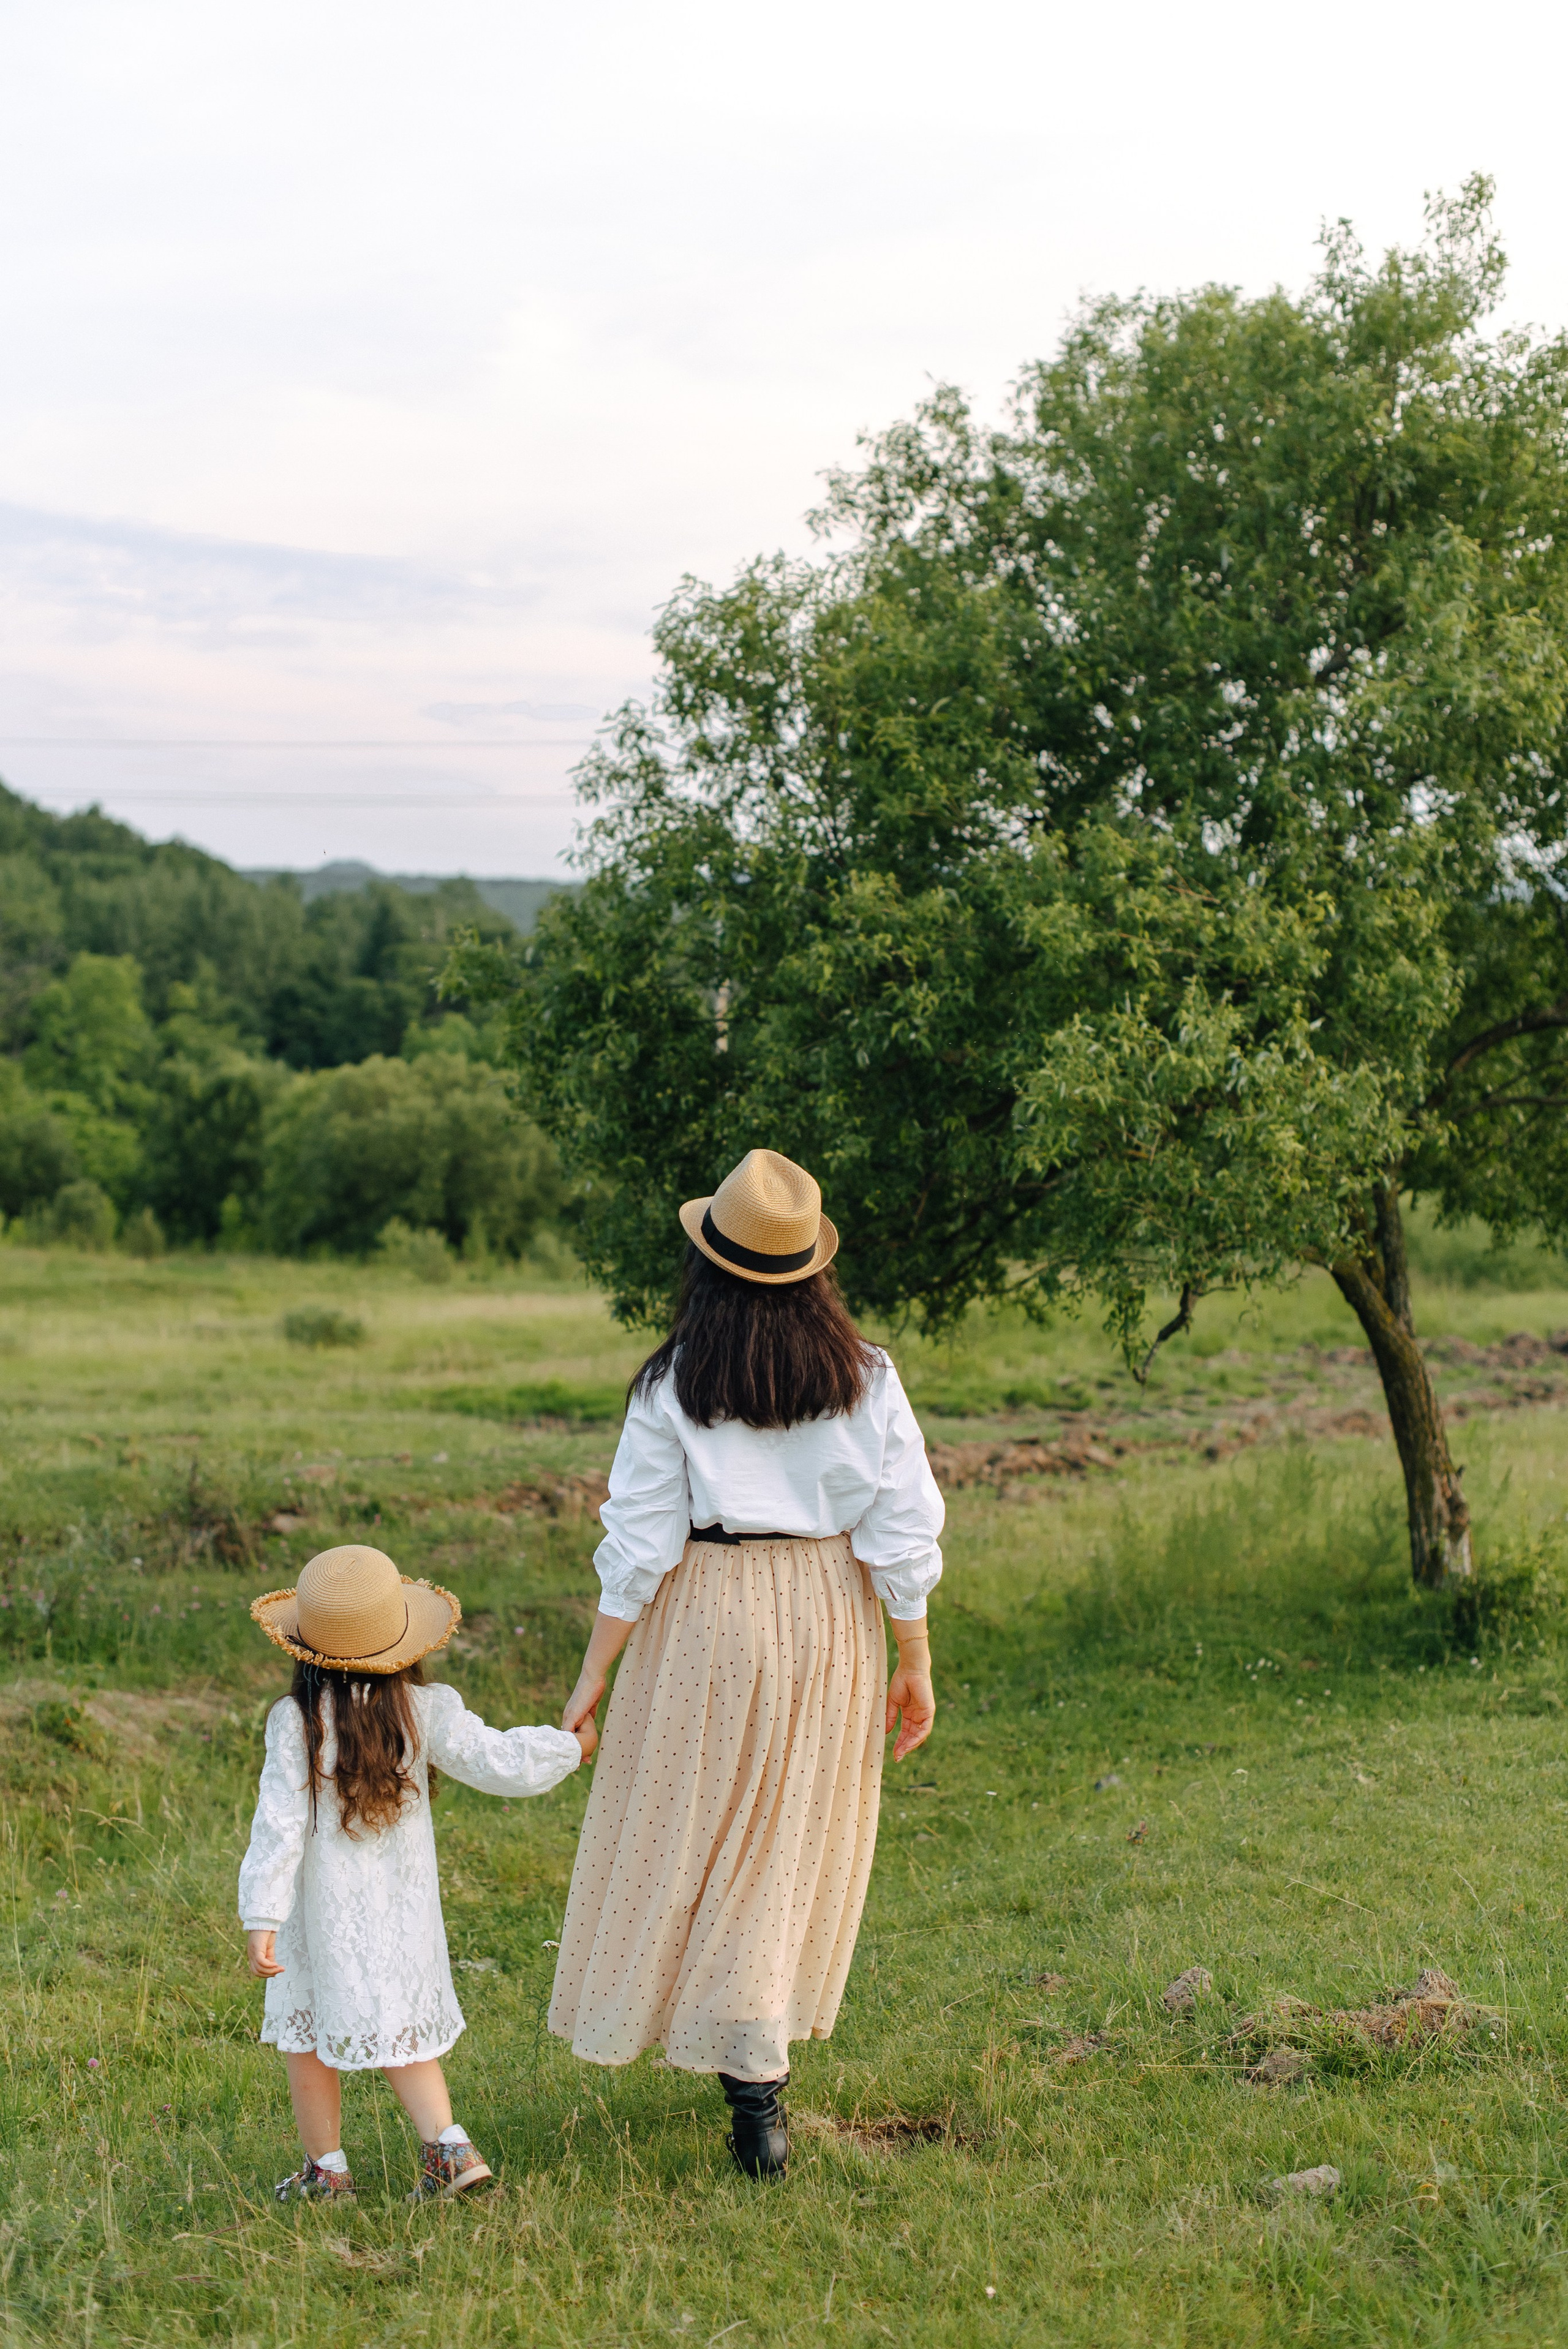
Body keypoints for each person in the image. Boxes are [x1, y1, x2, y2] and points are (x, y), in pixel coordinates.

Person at [548, 1148, 941, 2181]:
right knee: (783, 1843)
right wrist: (914, 1657)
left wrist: (594, 1675)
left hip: (709, 1612)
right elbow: (900, 1528)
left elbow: (638, 1541)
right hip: (829, 1612)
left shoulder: (675, 1380)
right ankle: (756, 2087)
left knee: (701, 1833)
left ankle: (749, 2078)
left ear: (709, 1266)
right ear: (815, 1270)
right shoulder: (869, 1375)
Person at [239, 1542, 592, 2204]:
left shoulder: (297, 1722)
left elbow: (278, 1824)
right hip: (403, 1916)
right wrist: (569, 1747)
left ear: (305, 1648)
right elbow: (498, 1760)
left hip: (320, 1920)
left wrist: (263, 1915)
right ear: (401, 1644)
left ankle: (327, 2170)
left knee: (307, 2029)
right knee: (399, 2022)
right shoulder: (421, 1711)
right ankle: (447, 2147)